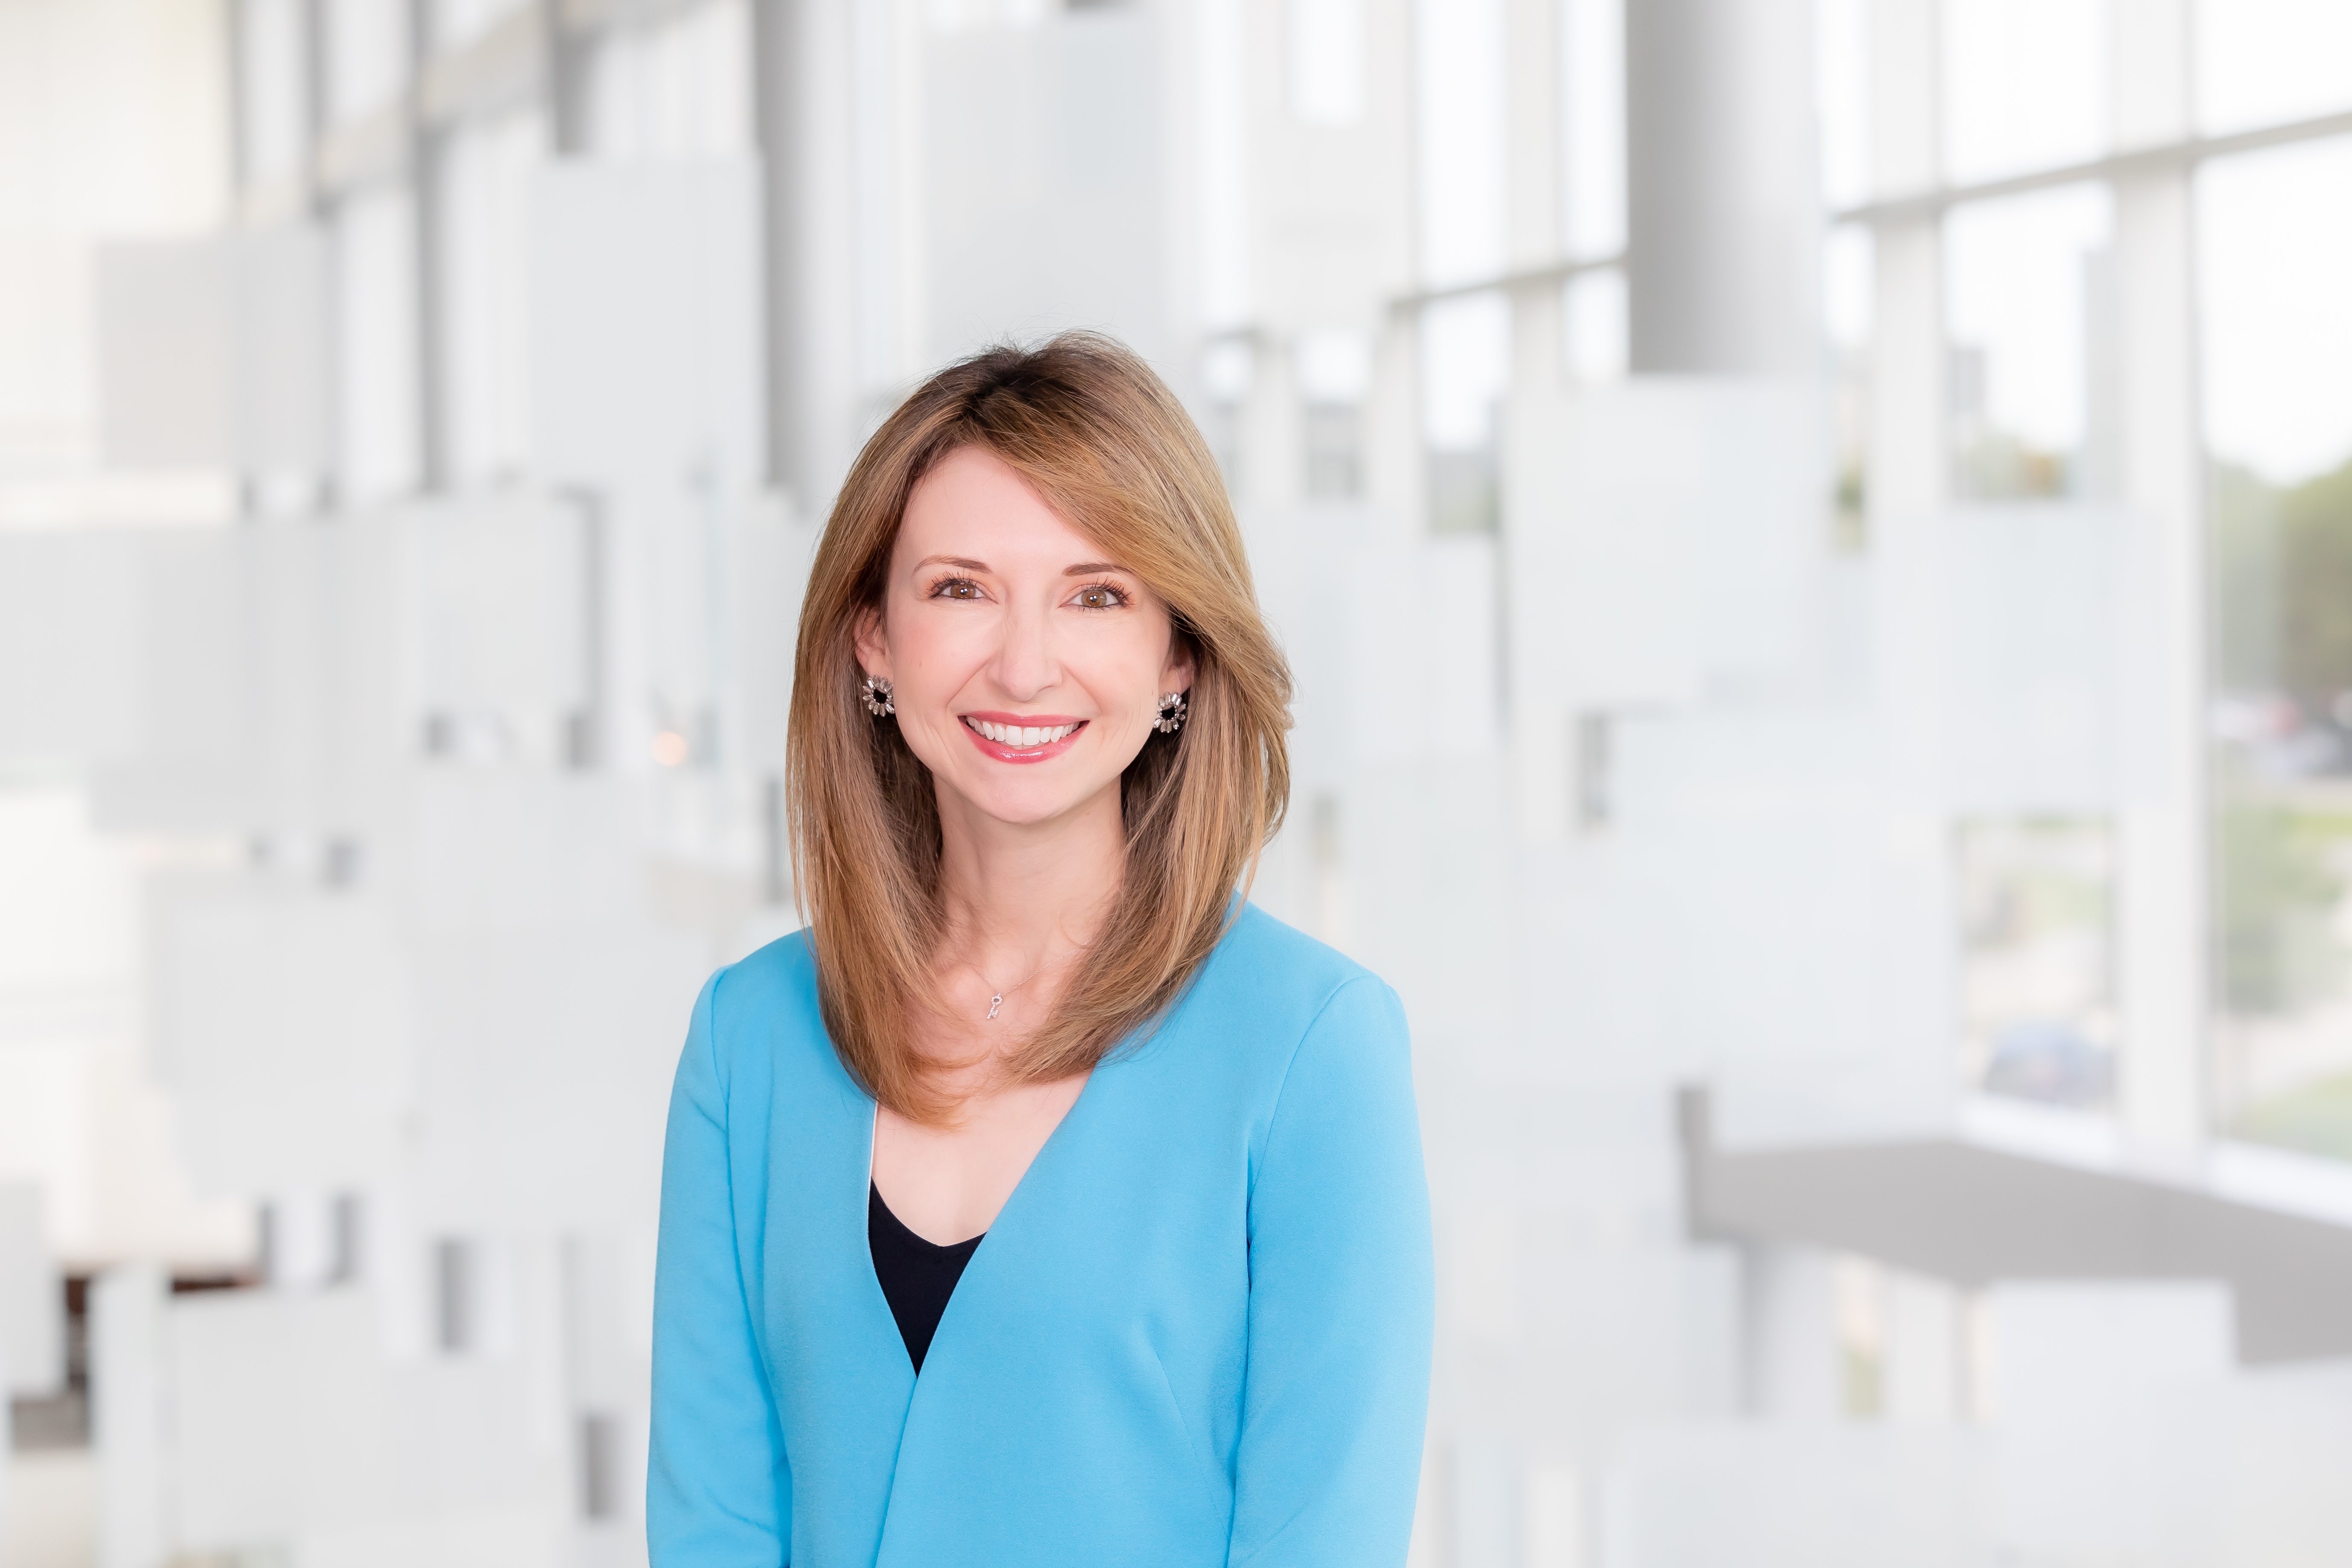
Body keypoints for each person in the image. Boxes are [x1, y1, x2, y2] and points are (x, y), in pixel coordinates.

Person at [647, 333, 1433, 1566]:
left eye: (1097, 594)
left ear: (1178, 651)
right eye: (959, 588)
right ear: (872, 638)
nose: (1023, 663)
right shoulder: (746, 1041)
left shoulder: (1310, 1048)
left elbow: (1320, 1534)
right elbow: (714, 1525)